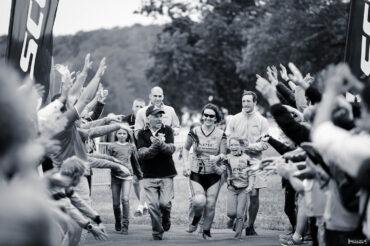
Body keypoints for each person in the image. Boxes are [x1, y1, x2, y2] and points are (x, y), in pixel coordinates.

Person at [225, 90, 269, 235]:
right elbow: (228, 139)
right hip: (237, 162)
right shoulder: (234, 119)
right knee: (238, 190)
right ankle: (238, 218)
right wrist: (235, 150)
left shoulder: (262, 121)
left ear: (255, 102)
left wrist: (248, 146)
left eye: (248, 101)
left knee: (254, 194)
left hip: (255, 162)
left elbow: (264, 144)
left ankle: (250, 225)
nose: (245, 104)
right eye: (243, 101)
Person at [183, 103, 227, 239]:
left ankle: (206, 231)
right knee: (200, 201)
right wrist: (186, 164)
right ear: (202, 116)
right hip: (197, 172)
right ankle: (196, 218)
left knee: (211, 204)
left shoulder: (221, 135)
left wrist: (217, 157)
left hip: (214, 173)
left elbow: (224, 154)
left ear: (216, 118)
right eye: (206, 115)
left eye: (211, 116)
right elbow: (185, 148)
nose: (208, 118)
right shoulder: (194, 132)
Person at [136, 106, 177, 240]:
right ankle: (157, 233)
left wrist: (160, 144)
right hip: (149, 175)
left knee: (164, 204)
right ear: (148, 118)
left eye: (161, 116)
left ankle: (166, 218)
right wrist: (156, 145)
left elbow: (170, 149)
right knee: (153, 205)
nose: (159, 118)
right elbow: (142, 154)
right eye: (156, 116)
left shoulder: (168, 130)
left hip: (167, 173)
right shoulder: (141, 134)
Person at [106, 127, 141, 234]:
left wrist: (137, 175)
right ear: (116, 135)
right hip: (115, 177)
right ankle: (118, 221)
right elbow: (107, 163)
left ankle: (125, 225)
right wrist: (108, 180)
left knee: (125, 199)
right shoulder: (111, 146)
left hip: (127, 176)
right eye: (119, 133)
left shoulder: (131, 146)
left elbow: (135, 162)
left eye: (124, 133)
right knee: (116, 204)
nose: (122, 135)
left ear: (127, 135)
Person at [224, 137, 255, 239]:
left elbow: (251, 174)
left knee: (240, 214)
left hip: (244, 189)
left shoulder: (247, 158)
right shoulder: (227, 158)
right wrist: (227, 178)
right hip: (232, 188)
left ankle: (237, 236)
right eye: (231, 145)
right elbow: (226, 169)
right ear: (229, 146)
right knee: (231, 213)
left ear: (241, 146)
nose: (233, 147)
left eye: (236, 145)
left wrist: (250, 186)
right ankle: (233, 220)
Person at [122, 98, 148, 216]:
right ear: (132, 108)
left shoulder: (148, 120)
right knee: (136, 181)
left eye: (141, 106)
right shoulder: (126, 121)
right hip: (132, 154)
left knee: (144, 180)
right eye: (137, 106)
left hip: (145, 153)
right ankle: (143, 204)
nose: (139, 109)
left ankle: (142, 206)